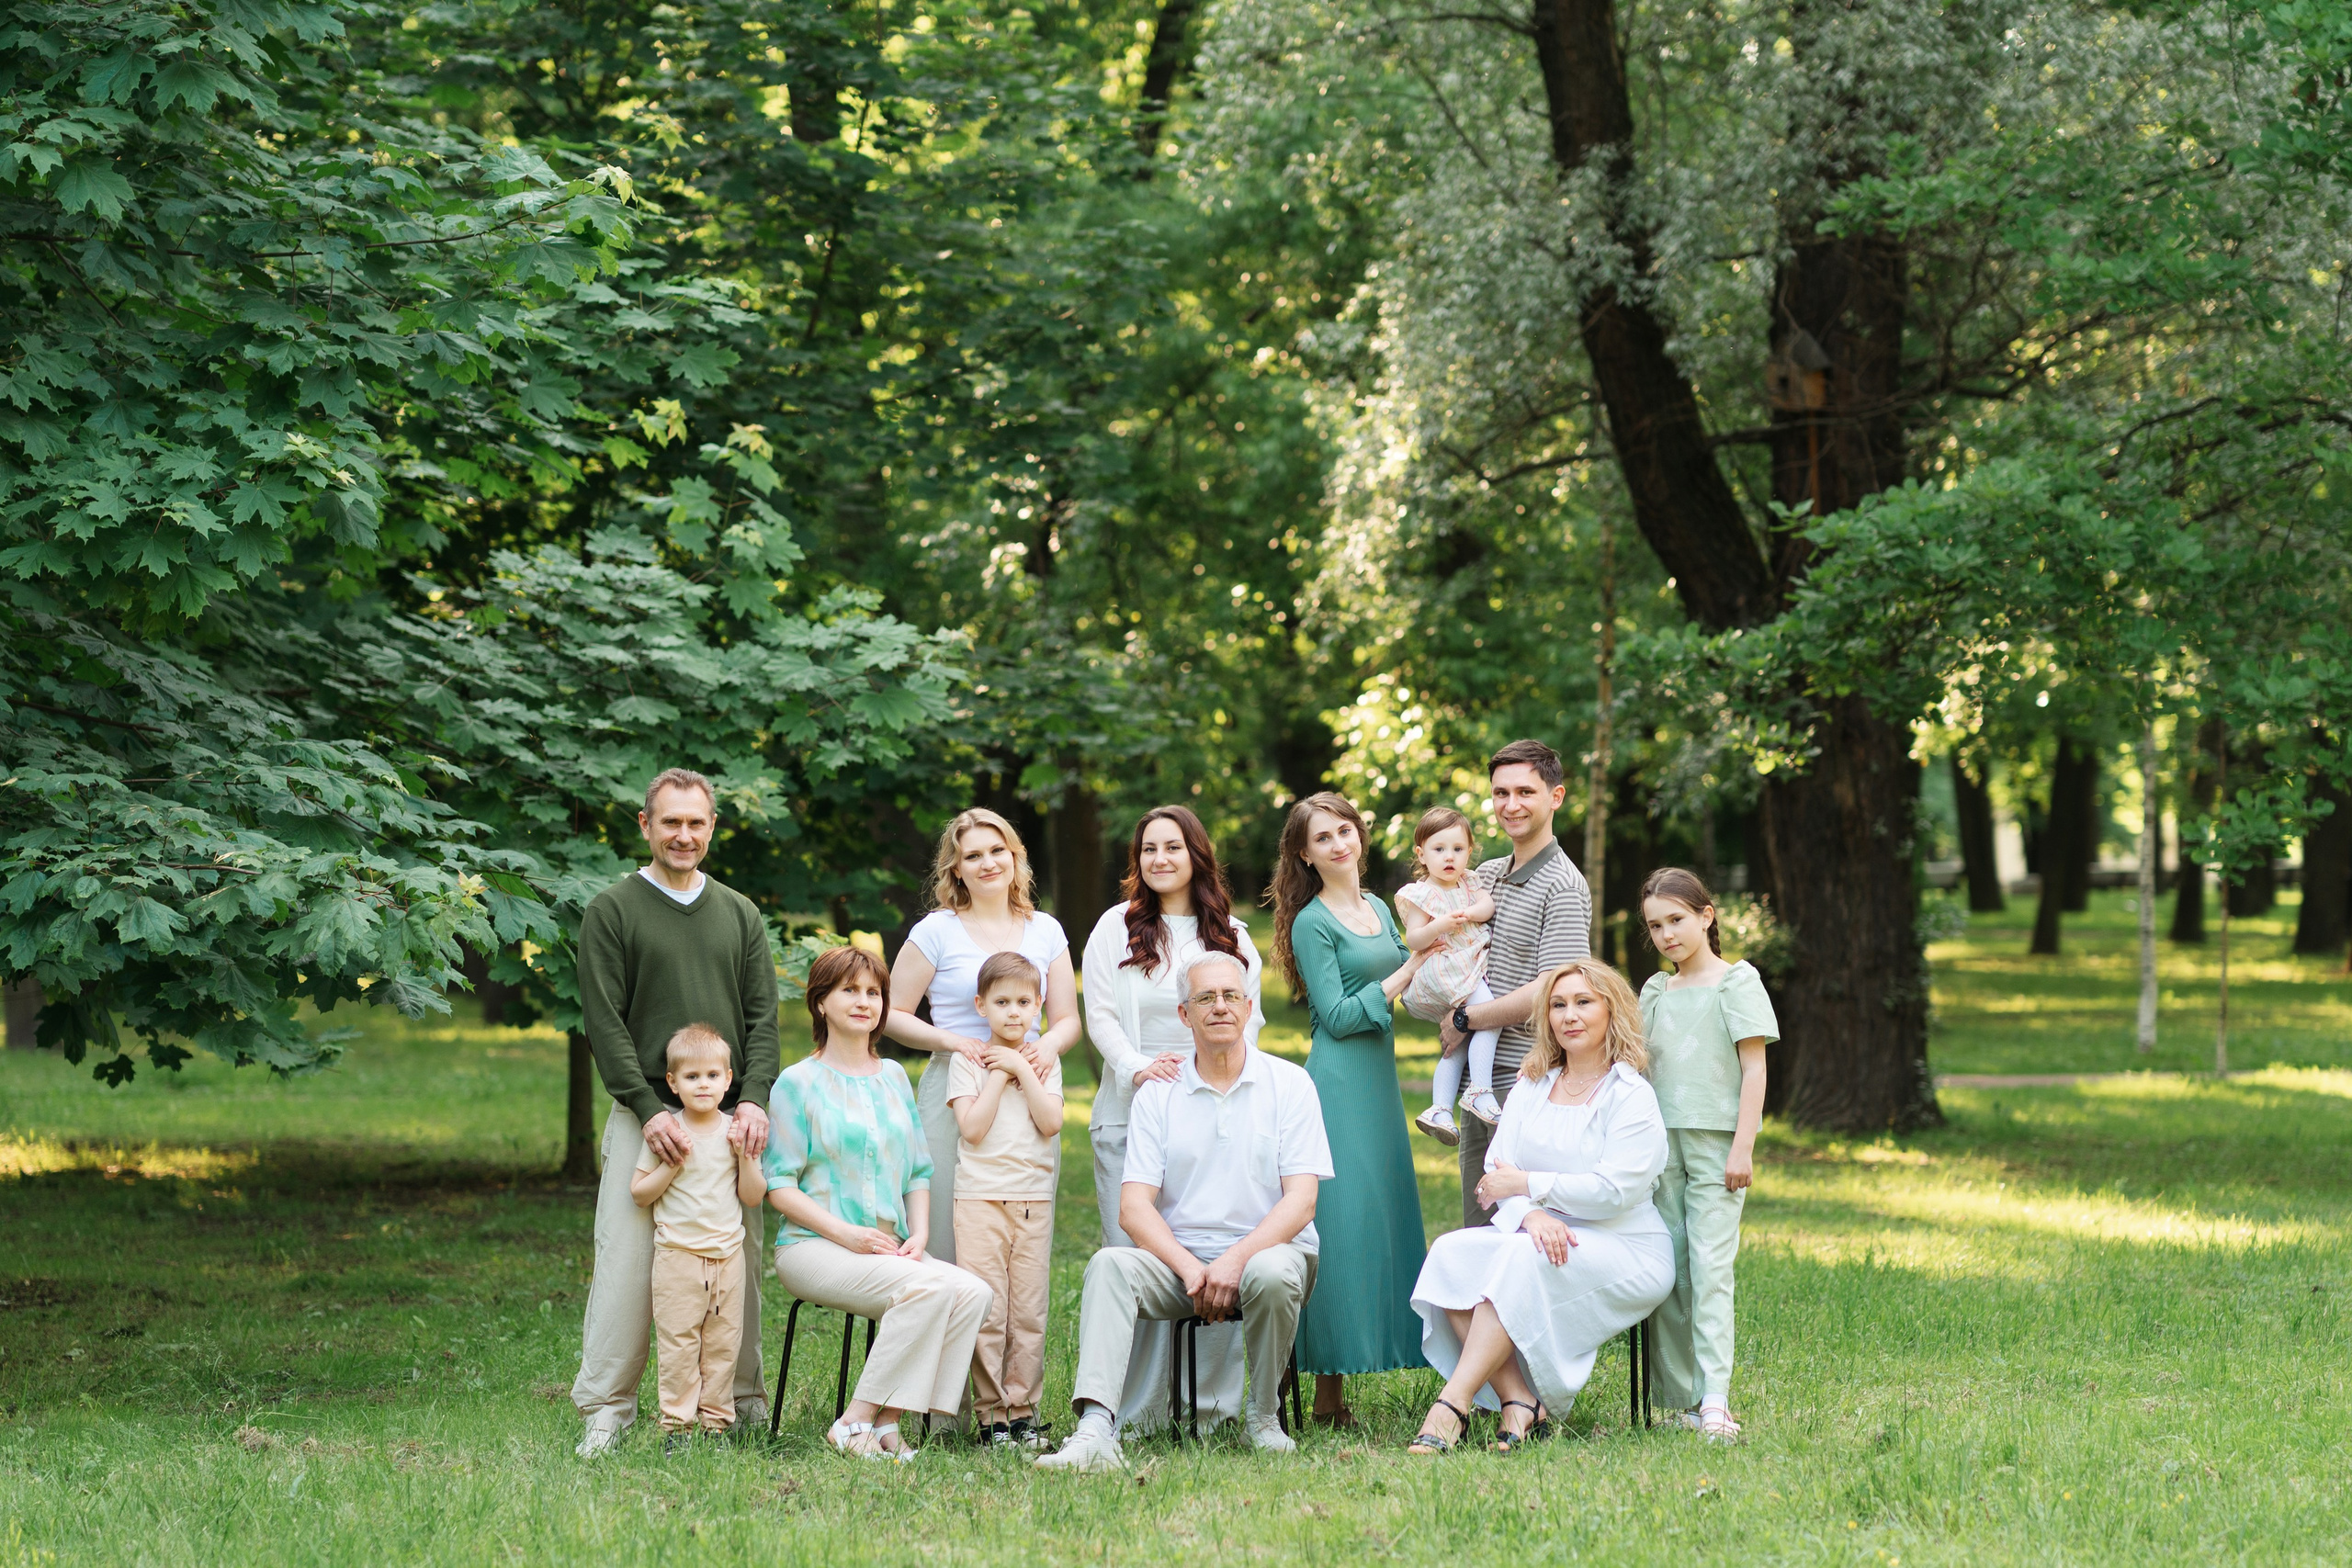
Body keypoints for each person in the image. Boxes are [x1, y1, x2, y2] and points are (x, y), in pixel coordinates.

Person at [1035, 953, 1331, 1472]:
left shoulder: (1290, 1084)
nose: (1220, 1006)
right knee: (1109, 1265)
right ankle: (1095, 1431)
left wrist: (1235, 1260)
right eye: (1205, 998)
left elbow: (1301, 1202)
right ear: (1182, 1014)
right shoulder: (1158, 1095)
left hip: (1268, 1256)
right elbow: (1133, 1209)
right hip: (1182, 1268)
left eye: (1230, 996)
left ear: (1249, 1006)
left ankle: (1264, 1419)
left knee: (1272, 1270)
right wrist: (1193, 1268)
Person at [572, 768, 779, 1458]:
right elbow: (604, 1022)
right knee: (629, 1262)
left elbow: (762, 1018)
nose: (684, 834)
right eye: (671, 822)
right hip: (648, 1114)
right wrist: (644, 1106)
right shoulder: (613, 909)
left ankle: (738, 1400)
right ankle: (607, 1407)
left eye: (697, 822)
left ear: (712, 826)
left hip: (726, 1120)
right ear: (645, 825)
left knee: (734, 1261)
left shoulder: (739, 913)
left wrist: (751, 1097)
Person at [1407, 959, 1674, 1454]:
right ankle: (1519, 1399)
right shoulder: (1532, 1083)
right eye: (1557, 1005)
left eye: (1583, 1002)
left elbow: (1613, 1190)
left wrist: (1528, 1186)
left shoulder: (1630, 1095)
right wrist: (1529, 1214)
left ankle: (1452, 1403)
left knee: (1515, 1256)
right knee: (1451, 1253)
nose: (1569, 1015)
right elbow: (1495, 1170)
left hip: (1626, 1246)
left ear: (1612, 1011)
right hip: (1538, 1232)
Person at [765, 945, 991, 1460]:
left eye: (873, 992)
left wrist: (919, 1236)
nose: (864, 1001)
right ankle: (854, 1421)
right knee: (932, 1288)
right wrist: (846, 1236)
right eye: (849, 990)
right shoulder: (797, 1083)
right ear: (821, 1003)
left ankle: (889, 1423)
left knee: (972, 1292)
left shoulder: (892, 1076)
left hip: (888, 1249)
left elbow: (917, 1169)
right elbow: (779, 1186)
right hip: (812, 1248)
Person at [1080, 805, 1265, 1434]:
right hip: (1129, 1114)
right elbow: (1098, 1013)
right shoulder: (1116, 927)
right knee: (1136, 1260)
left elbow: (1252, 1028)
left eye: (1173, 847)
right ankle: (1132, 1413)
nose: (1160, 858)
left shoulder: (1233, 935)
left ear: (1196, 854)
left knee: (1206, 1253)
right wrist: (1137, 1067)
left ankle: (1205, 1410)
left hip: (1210, 1122)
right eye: (1148, 848)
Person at [1268, 790, 1431, 1426]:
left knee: (1377, 1222)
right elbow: (1336, 1016)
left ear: (1359, 835)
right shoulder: (1313, 921)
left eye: (1345, 830)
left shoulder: (1380, 906)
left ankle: (1346, 1387)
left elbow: (1414, 983)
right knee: (1337, 1225)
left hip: (1380, 1083)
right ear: (1305, 855)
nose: (1339, 843)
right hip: (1336, 1083)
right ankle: (1312, 1392)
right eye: (1323, 838)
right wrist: (1404, 971)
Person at [886, 807, 1080, 1266]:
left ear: (1015, 857)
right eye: (973, 855)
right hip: (958, 1086)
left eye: (998, 851)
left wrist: (1046, 1046)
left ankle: (1008, 1336)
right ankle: (947, 1332)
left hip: (1027, 1088)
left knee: (1020, 1234)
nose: (988, 863)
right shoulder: (936, 931)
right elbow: (890, 1014)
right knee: (947, 1231)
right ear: (956, 868)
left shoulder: (1046, 930)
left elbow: (1068, 1019)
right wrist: (955, 1042)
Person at [1637, 867, 1777, 1441]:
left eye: (1677, 920)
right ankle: (1677, 1400)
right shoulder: (1652, 991)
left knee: (1711, 1266)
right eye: (1656, 926)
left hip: (1717, 1141)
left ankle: (1715, 1399)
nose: (1668, 934)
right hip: (1657, 1144)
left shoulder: (1736, 982)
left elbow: (1754, 1067)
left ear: (1706, 916)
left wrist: (1743, 1146)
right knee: (1666, 1268)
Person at [1439, 740, 1595, 1229]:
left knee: (1523, 1233)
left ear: (1556, 796)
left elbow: (1555, 990)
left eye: (1525, 791)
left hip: (1527, 1080)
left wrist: (1466, 1019)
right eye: (1500, 793)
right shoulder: (1484, 875)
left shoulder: (1564, 886)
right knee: (1478, 1225)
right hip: (1476, 1079)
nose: (1511, 805)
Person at [629, 1024, 767, 1451]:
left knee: (723, 1346)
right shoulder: (666, 1131)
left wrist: (746, 1158)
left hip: (727, 1258)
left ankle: (716, 1425)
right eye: (692, 1077)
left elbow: (753, 1196)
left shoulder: (735, 1131)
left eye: (712, 1075)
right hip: (678, 1257)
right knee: (679, 1346)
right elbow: (639, 1194)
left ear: (729, 1080)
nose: (703, 1084)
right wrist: (671, 1165)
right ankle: (677, 1428)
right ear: (672, 1083)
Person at [947, 953, 1065, 1450]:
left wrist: (1022, 1065)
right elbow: (972, 1130)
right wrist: (1001, 1070)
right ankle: (991, 1418)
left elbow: (1051, 1122)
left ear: (1039, 1005)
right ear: (981, 1005)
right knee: (990, 1313)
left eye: (1024, 1002)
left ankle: (1024, 1414)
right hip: (979, 1199)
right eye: (1001, 1002)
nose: (1014, 1012)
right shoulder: (967, 1060)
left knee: (1029, 1313)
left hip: (1033, 1199)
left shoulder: (1044, 1059)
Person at [1398, 807, 1504, 1145]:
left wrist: (1473, 912)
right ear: (1422, 854)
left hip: (1466, 962)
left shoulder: (1470, 882)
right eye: (1439, 849)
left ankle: (1440, 1108)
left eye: (1458, 850)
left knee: (1459, 1041)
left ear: (1469, 852)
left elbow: (1487, 907)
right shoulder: (1421, 894)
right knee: (1488, 1016)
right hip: (1444, 965)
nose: (1449, 857)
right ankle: (1479, 1090)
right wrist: (1439, 924)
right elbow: (1414, 938)